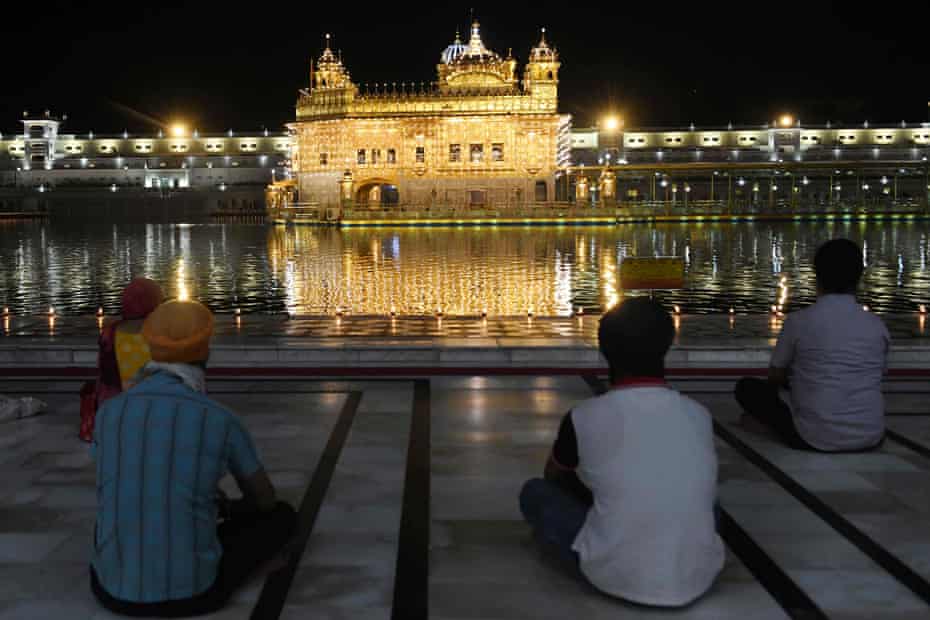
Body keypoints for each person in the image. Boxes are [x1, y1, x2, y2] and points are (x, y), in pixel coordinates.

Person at [89, 299, 297, 617]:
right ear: (205, 349)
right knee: (281, 517)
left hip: (111, 592)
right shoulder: (217, 418)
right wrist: (227, 507)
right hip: (194, 593)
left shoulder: (109, 412)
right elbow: (264, 500)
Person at [520, 297, 724, 607]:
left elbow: (555, 475)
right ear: (668, 346)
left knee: (535, 493)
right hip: (698, 573)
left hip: (615, 574)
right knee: (702, 502)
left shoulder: (584, 416)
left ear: (603, 352)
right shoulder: (698, 414)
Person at [735, 238, 889, 452]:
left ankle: (768, 428)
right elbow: (878, 374)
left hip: (814, 437)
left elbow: (775, 376)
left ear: (817, 277)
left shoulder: (799, 321)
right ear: (859, 278)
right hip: (871, 435)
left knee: (747, 388)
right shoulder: (876, 325)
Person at [95, 277, 164, 407]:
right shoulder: (163, 332)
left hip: (115, 406)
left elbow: (103, 373)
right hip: (156, 405)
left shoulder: (109, 333)